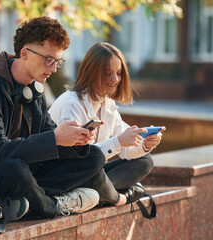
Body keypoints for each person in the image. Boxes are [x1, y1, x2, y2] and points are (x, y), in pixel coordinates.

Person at [0, 17, 122, 222]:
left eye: (58, 62)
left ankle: (23, 201)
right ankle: (53, 206)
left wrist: (75, 141)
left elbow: (47, 139)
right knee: (16, 170)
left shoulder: (34, 89)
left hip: (27, 173)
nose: (53, 68)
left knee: (93, 157)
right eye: (48, 60)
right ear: (25, 54)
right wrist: (54, 139)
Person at [49, 42, 166, 206]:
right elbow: (74, 161)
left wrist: (145, 143)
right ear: (91, 73)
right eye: (107, 73)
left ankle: (93, 195)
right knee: (96, 166)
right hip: (65, 175)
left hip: (91, 176)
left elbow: (125, 150)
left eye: (118, 73)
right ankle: (111, 196)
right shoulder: (71, 104)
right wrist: (118, 142)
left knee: (145, 160)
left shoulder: (108, 105)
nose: (115, 79)